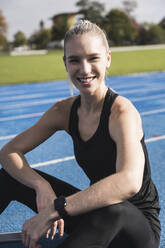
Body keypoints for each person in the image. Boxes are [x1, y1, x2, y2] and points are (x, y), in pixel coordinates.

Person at [0, 20, 161, 248]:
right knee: (8, 178)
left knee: (115, 209)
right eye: (75, 60)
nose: (84, 69)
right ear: (65, 63)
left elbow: (129, 182)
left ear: (107, 59)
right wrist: (41, 186)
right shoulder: (63, 111)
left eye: (93, 58)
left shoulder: (122, 112)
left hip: (135, 227)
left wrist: (55, 209)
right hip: (93, 213)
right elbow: (9, 152)